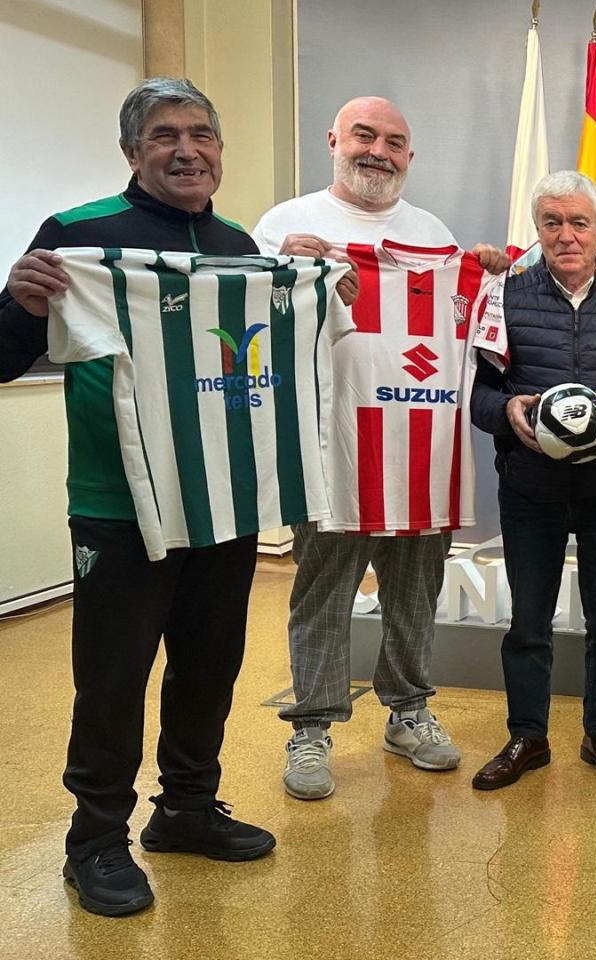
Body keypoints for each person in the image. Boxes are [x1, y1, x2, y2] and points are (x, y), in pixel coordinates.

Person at [0, 78, 278, 917]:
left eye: (201, 133)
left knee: (210, 665)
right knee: (113, 676)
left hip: (222, 500)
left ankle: (187, 809)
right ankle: (94, 841)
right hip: (118, 505)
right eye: (164, 135)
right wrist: (16, 304)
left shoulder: (241, 249)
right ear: (133, 152)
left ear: (220, 152)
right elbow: (7, 356)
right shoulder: (78, 237)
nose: (186, 149)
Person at [252, 96, 509, 801]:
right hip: (333, 451)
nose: (378, 151)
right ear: (334, 139)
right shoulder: (284, 224)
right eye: (364, 136)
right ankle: (311, 726)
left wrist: (482, 269)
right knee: (324, 593)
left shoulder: (433, 232)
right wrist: (278, 267)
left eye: (394, 141)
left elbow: (464, 321)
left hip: (422, 451)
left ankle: (407, 711)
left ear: (409, 156)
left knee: (414, 592)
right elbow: (251, 325)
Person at [467, 170, 596, 790]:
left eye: (578, 222)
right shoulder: (504, 298)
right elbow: (479, 395)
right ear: (537, 230)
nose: (566, 235)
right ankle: (527, 737)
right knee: (528, 620)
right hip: (530, 489)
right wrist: (505, 412)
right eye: (552, 223)